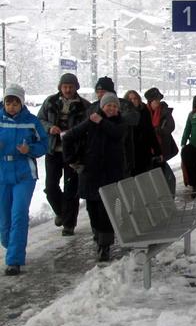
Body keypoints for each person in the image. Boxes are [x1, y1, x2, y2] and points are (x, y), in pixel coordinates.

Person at [63, 92, 127, 262]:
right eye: (108, 106)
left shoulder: (120, 122)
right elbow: (69, 136)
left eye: (114, 106)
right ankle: (98, 237)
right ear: (102, 107)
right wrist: (72, 160)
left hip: (111, 174)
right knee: (92, 208)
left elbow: (116, 134)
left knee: (105, 209)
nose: (111, 109)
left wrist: (102, 121)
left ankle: (104, 246)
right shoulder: (91, 121)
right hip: (90, 173)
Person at [0, 84, 48, 276]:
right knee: (4, 220)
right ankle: (10, 243)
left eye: (15, 103)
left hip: (24, 175)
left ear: (21, 103)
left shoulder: (31, 122)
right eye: (8, 102)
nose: (11, 106)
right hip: (2, 173)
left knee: (19, 215)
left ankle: (14, 260)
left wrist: (30, 150)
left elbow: (44, 144)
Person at [37, 73, 91, 236]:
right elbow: (39, 120)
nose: (67, 90)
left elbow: (87, 127)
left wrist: (74, 134)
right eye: (65, 86)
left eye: (71, 87)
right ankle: (61, 211)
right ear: (60, 87)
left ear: (76, 87)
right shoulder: (50, 102)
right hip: (53, 150)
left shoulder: (84, 105)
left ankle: (69, 224)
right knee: (51, 187)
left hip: (72, 152)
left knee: (70, 189)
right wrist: (50, 128)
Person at [93, 77, 139, 177]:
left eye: (103, 91)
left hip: (121, 155)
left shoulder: (124, 105)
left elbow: (134, 118)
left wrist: (110, 118)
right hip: (98, 157)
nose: (100, 94)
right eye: (98, 91)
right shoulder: (92, 107)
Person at [144, 87, 179, 195]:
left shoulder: (165, 111)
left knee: (165, 176)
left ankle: (166, 196)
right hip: (148, 149)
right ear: (150, 102)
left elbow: (171, 127)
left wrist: (158, 130)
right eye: (155, 101)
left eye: (158, 100)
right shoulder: (143, 112)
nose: (158, 103)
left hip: (162, 146)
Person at [123, 90, 162, 176]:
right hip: (129, 152)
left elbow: (150, 132)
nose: (133, 101)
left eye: (135, 98)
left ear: (139, 99)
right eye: (130, 99)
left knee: (143, 176)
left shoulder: (144, 111)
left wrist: (157, 151)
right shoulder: (123, 114)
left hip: (143, 150)